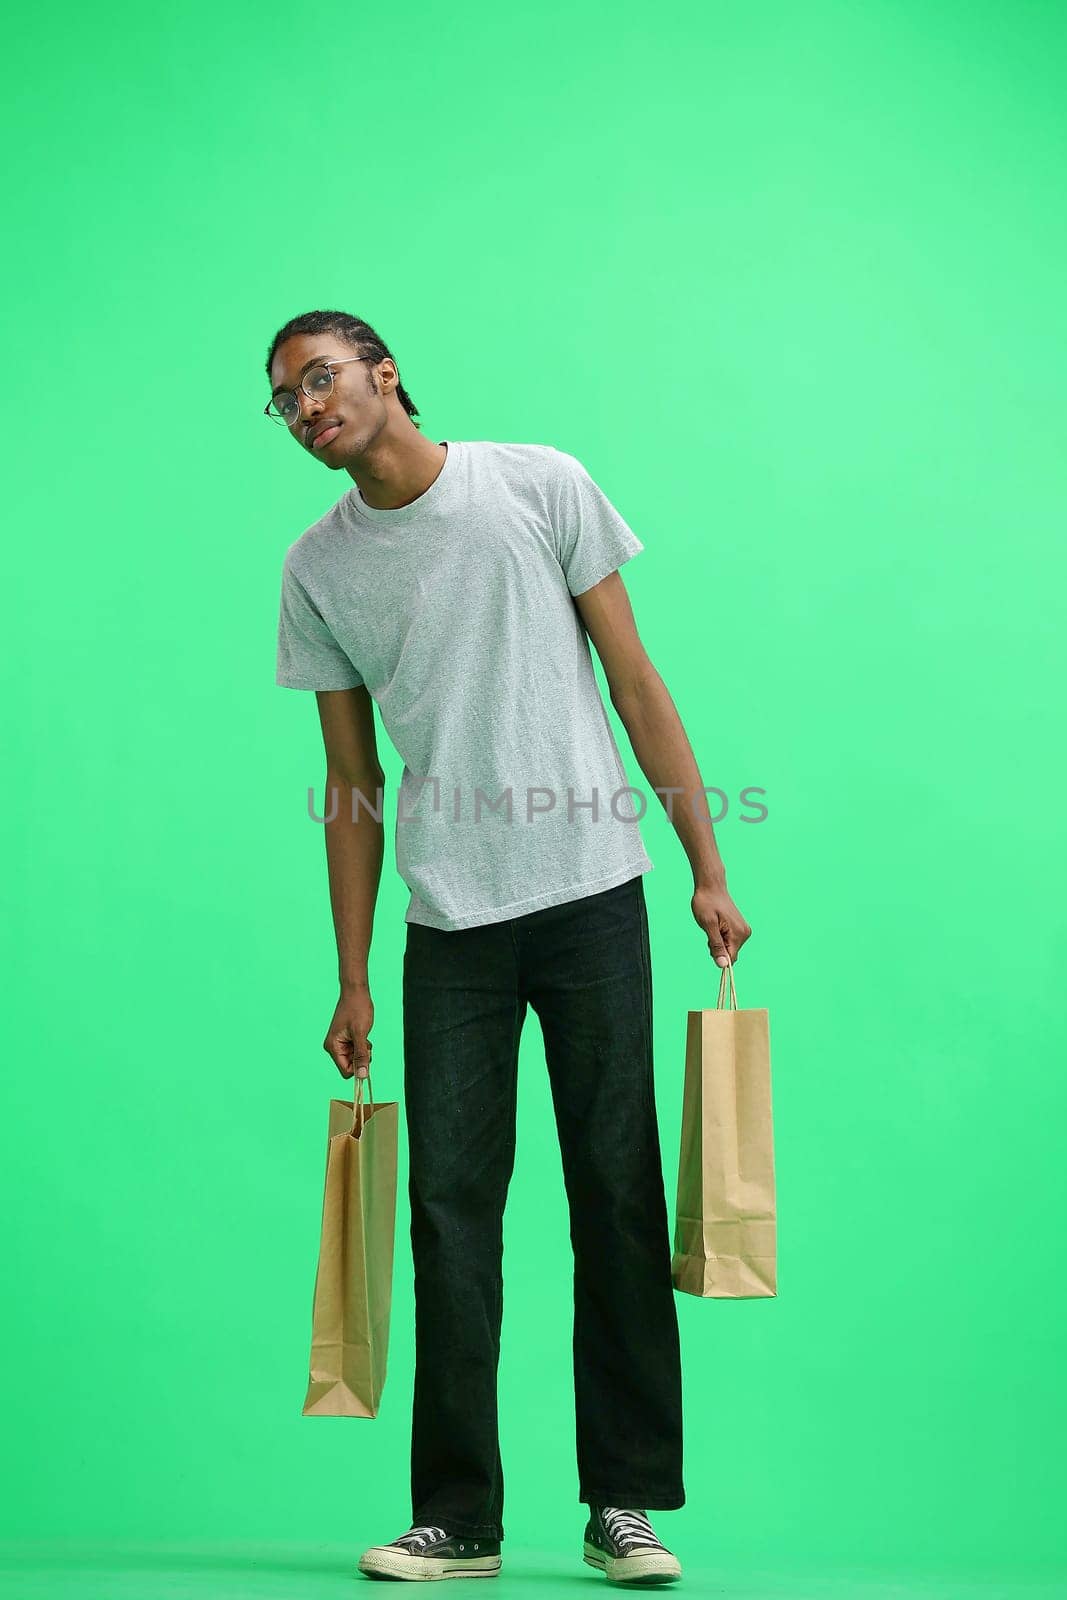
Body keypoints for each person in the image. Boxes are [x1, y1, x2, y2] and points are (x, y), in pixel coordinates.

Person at [268, 310, 752, 1585]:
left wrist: (705, 864)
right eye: (286, 400)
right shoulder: (317, 568)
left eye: (320, 378)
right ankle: (459, 1519)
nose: (308, 406)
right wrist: (354, 968)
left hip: (591, 895)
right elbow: (350, 782)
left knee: (617, 1195)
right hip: (448, 927)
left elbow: (635, 678)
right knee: (446, 1216)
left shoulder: (537, 482)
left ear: (382, 371)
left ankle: (626, 1505)